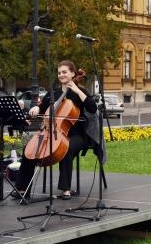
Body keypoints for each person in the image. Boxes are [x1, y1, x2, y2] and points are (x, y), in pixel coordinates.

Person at [15, 60, 98, 200]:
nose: (61, 75)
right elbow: (42, 106)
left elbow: (92, 108)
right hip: (52, 132)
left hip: (76, 134)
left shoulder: (80, 91)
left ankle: (65, 189)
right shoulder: (55, 92)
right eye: (59, 72)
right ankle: (22, 188)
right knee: (28, 150)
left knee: (67, 148)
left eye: (64, 72)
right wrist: (36, 108)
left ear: (73, 73)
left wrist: (77, 90)